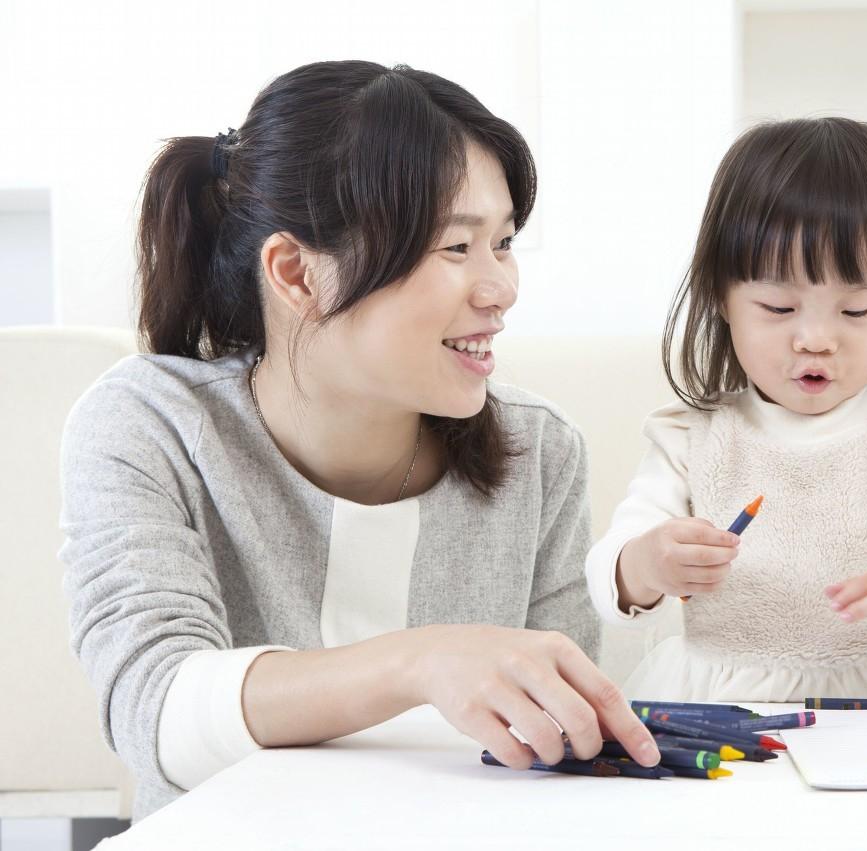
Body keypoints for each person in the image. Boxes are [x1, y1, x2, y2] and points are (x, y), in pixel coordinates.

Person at [58, 60, 659, 822]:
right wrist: (421, 661)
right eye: (454, 247)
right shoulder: (152, 424)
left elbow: (553, 741)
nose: (501, 289)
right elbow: (156, 713)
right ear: (296, 273)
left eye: (503, 243)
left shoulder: (539, 452)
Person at [585, 117, 867, 704]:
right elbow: (611, 571)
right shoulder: (691, 437)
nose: (816, 339)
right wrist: (645, 564)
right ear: (722, 296)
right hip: (725, 701)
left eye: (857, 311)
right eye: (777, 307)